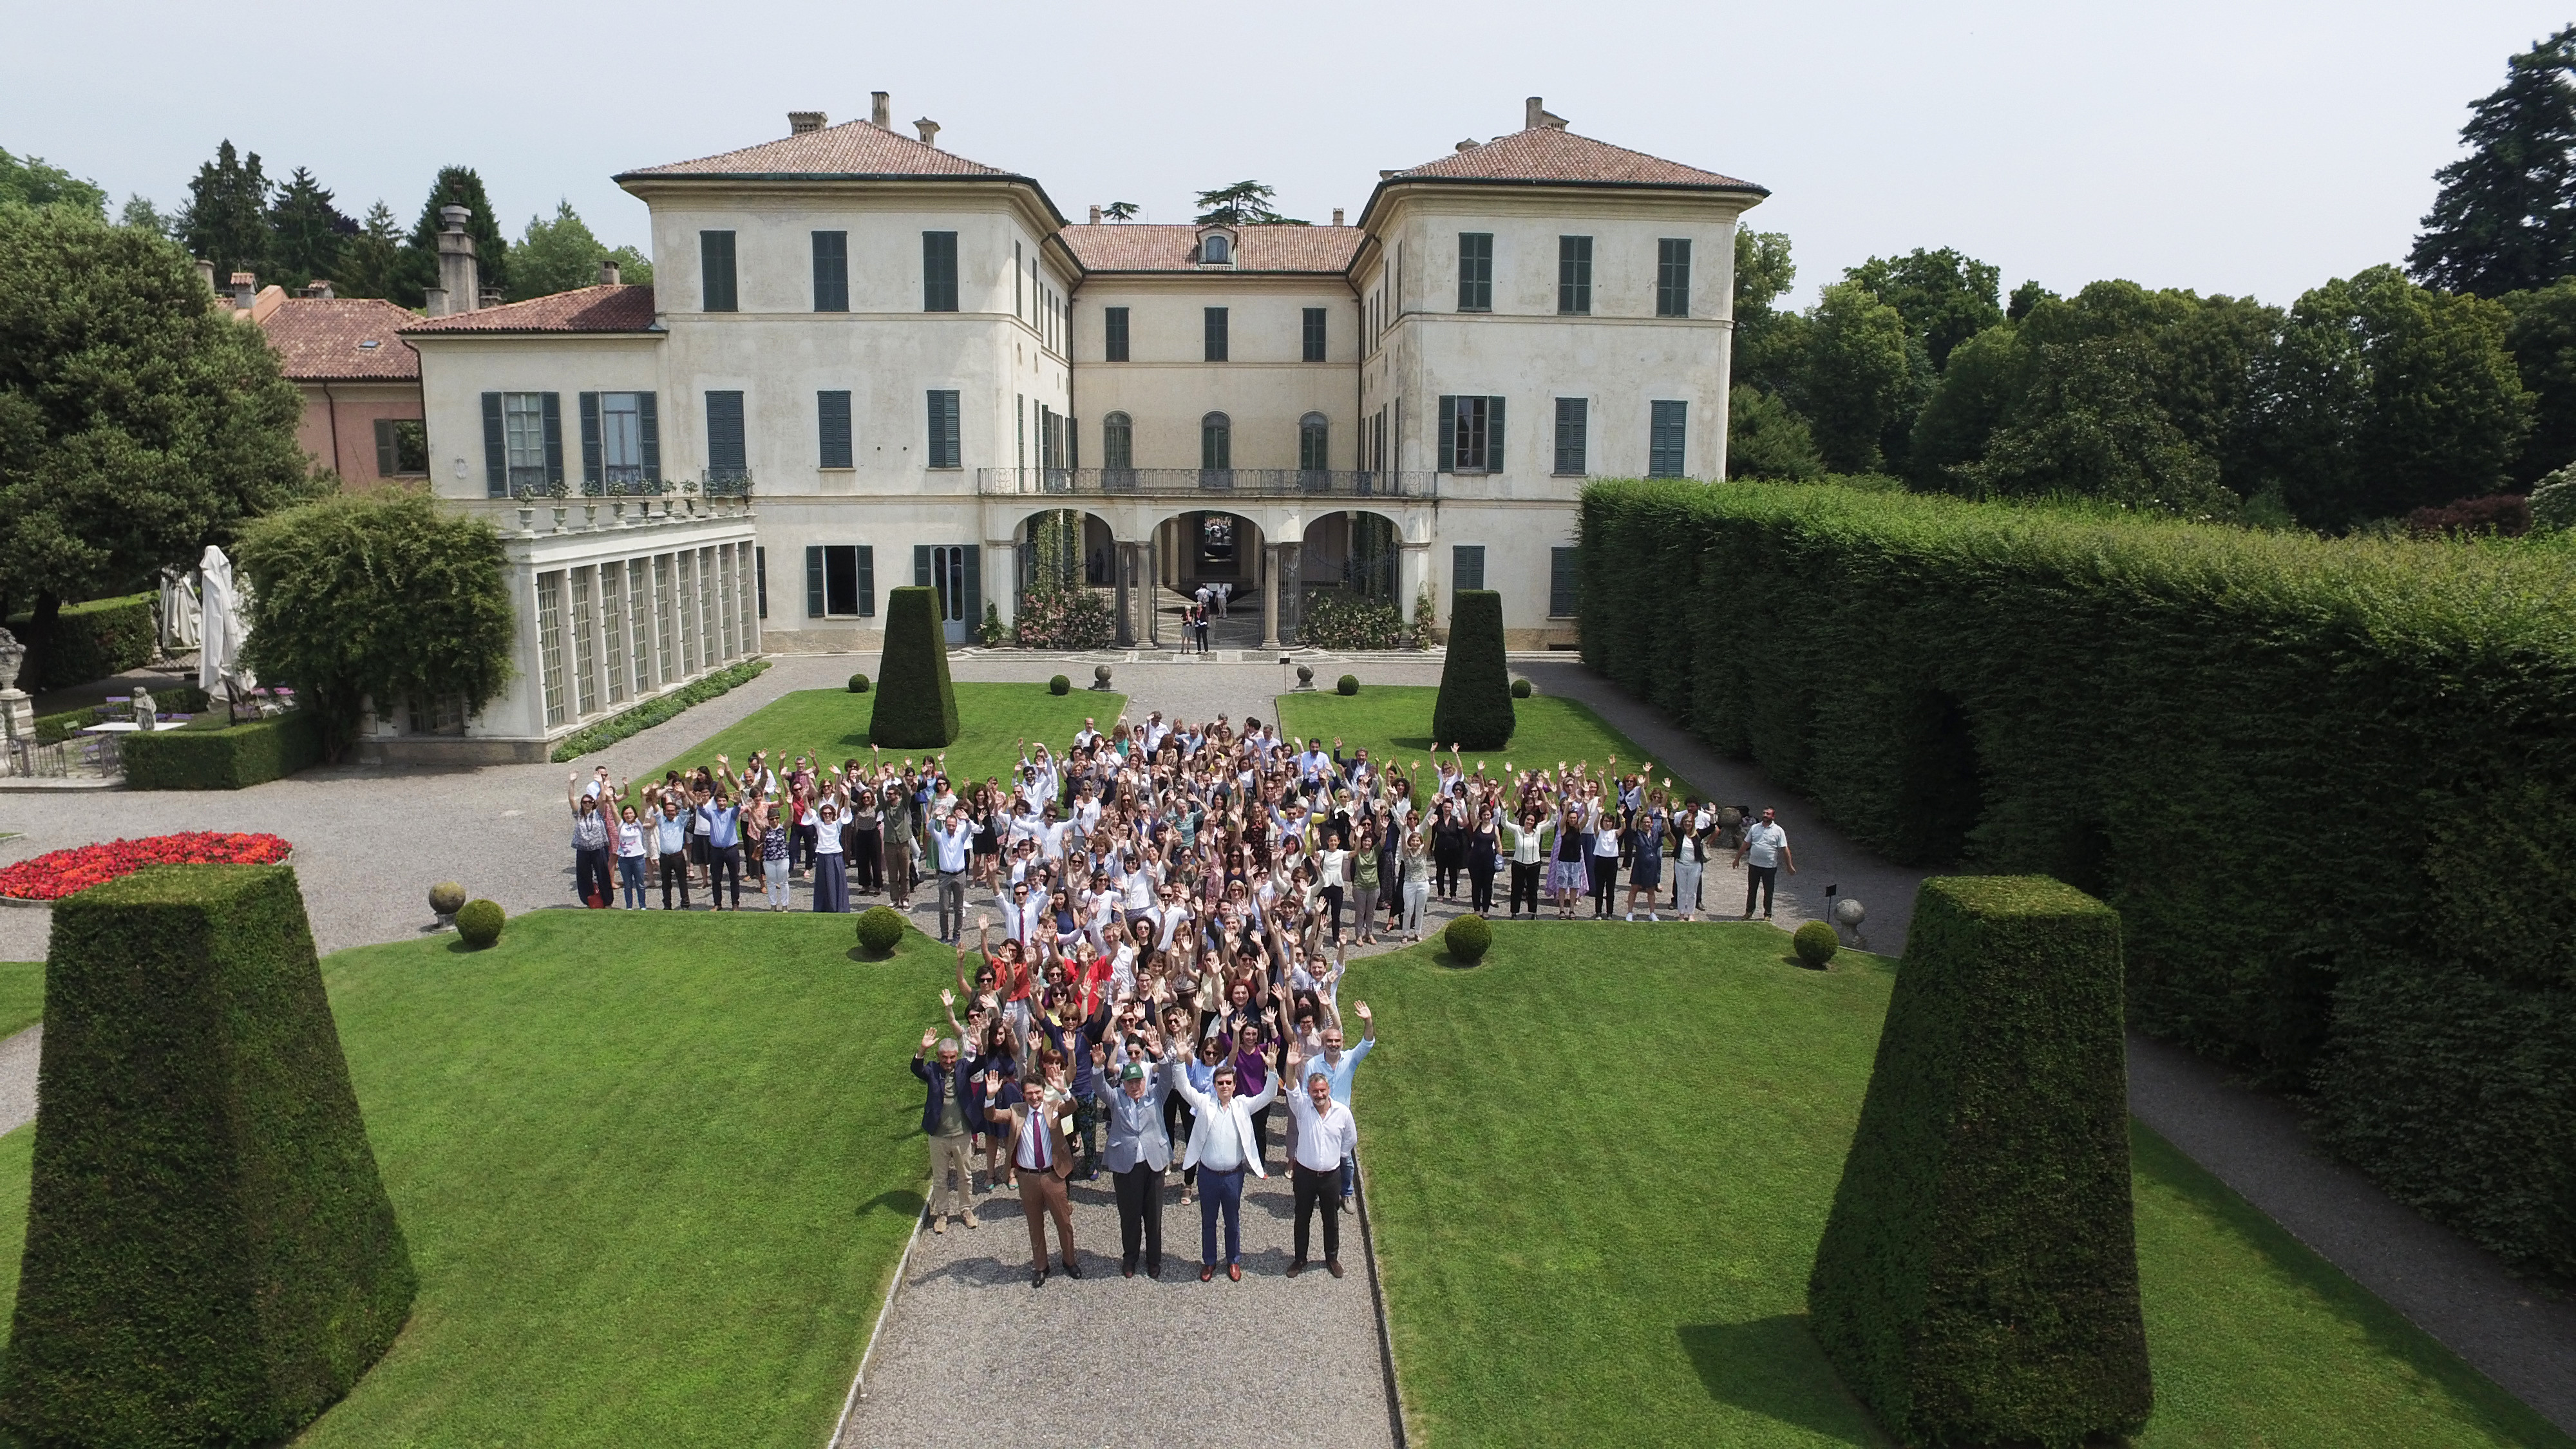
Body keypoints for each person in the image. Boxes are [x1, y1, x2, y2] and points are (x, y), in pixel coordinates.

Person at [1171, 1056, 1277, 1281]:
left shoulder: (1242, 1106)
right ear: (1215, 1085)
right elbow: (1183, 1087)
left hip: (1233, 1176)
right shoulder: (1204, 1104)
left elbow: (1268, 1095)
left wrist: (1271, 1068)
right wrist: (1181, 1061)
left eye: (1229, 1083)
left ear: (1235, 1085)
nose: (1225, 1087)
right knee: (1208, 1221)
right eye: (1221, 1083)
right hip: (1208, 1176)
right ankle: (1209, 1262)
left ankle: (1233, 1260)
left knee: (1232, 1221)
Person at [1093, 1032, 1178, 1278]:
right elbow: (1098, 1087)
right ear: (1123, 1084)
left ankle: (1154, 1260)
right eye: (1130, 1082)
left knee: (1153, 1216)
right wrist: (1099, 1066)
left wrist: (1161, 1056)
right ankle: (1130, 1258)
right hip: (1125, 1165)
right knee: (1129, 1216)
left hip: (1153, 1163)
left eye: (1138, 1081)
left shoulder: (1155, 1095)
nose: (1135, 1086)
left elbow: (1168, 1078)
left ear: (1144, 1080)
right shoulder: (1117, 1099)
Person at [1003, 1050, 1081, 1285]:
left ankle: (1069, 1260)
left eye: (1037, 1092)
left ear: (1042, 1092)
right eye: (1030, 1094)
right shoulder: (1017, 1111)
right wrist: (989, 1097)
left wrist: (1062, 1090)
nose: (1034, 1097)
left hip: (1053, 1175)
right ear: (1023, 1095)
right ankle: (1041, 1266)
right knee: (1035, 1225)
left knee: (1064, 1223)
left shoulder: (1054, 1106)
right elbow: (991, 1115)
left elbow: (1073, 1107)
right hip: (1027, 1178)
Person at [1283, 1069, 1358, 1278]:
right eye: (1315, 1091)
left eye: (1322, 1090)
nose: (1319, 1095)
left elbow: (1351, 1138)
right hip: (1305, 1175)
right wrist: (1290, 1067)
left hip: (1331, 1176)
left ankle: (1332, 1258)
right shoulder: (1302, 1108)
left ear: (1329, 1090)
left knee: (1331, 1218)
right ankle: (1300, 1259)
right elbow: (1291, 1088)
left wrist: (1341, 1154)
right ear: (1309, 1091)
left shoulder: (1342, 1112)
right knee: (1302, 1217)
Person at [911, 1027, 981, 1235]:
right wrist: (922, 1050)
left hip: (962, 1134)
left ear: (957, 1056)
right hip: (938, 1136)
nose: (948, 1062)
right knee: (940, 1178)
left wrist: (979, 1045)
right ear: (938, 1056)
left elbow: (981, 1063)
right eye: (944, 1058)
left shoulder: (962, 1068)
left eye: (952, 1057)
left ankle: (966, 1209)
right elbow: (916, 1069)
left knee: (965, 1176)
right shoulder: (932, 1070)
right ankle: (942, 1213)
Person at [1734, 806, 1794, 920]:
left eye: (1768, 814)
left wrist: (1789, 865)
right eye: (1764, 813)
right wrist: (1737, 859)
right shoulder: (1755, 828)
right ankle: (1749, 912)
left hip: (1769, 866)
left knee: (1769, 891)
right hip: (1754, 864)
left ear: (1773, 816)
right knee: (1752, 890)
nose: (1765, 815)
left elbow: (1785, 849)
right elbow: (1746, 844)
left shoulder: (1778, 831)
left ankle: (1768, 914)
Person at [566, 772, 613, 908]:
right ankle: (589, 901)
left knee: (603, 875)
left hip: (598, 849)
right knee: (584, 876)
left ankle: (607, 902)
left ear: (593, 803)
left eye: (590, 802)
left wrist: (600, 784)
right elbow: (571, 799)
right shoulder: (579, 815)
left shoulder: (598, 813)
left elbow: (603, 798)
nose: (587, 804)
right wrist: (572, 783)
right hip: (583, 850)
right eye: (585, 802)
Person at [932, 806, 975, 943]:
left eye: (953, 825)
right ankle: (944, 935)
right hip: (945, 876)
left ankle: (957, 935)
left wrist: (967, 819)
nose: (951, 827)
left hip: (959, 875)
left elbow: (970, 829)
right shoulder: (940, 837)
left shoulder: (961, 837)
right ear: (945, 825)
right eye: (949, 825)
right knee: (944, 908)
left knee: (958, 908)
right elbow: (930, 829)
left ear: (957, 826)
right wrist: (934, 816)